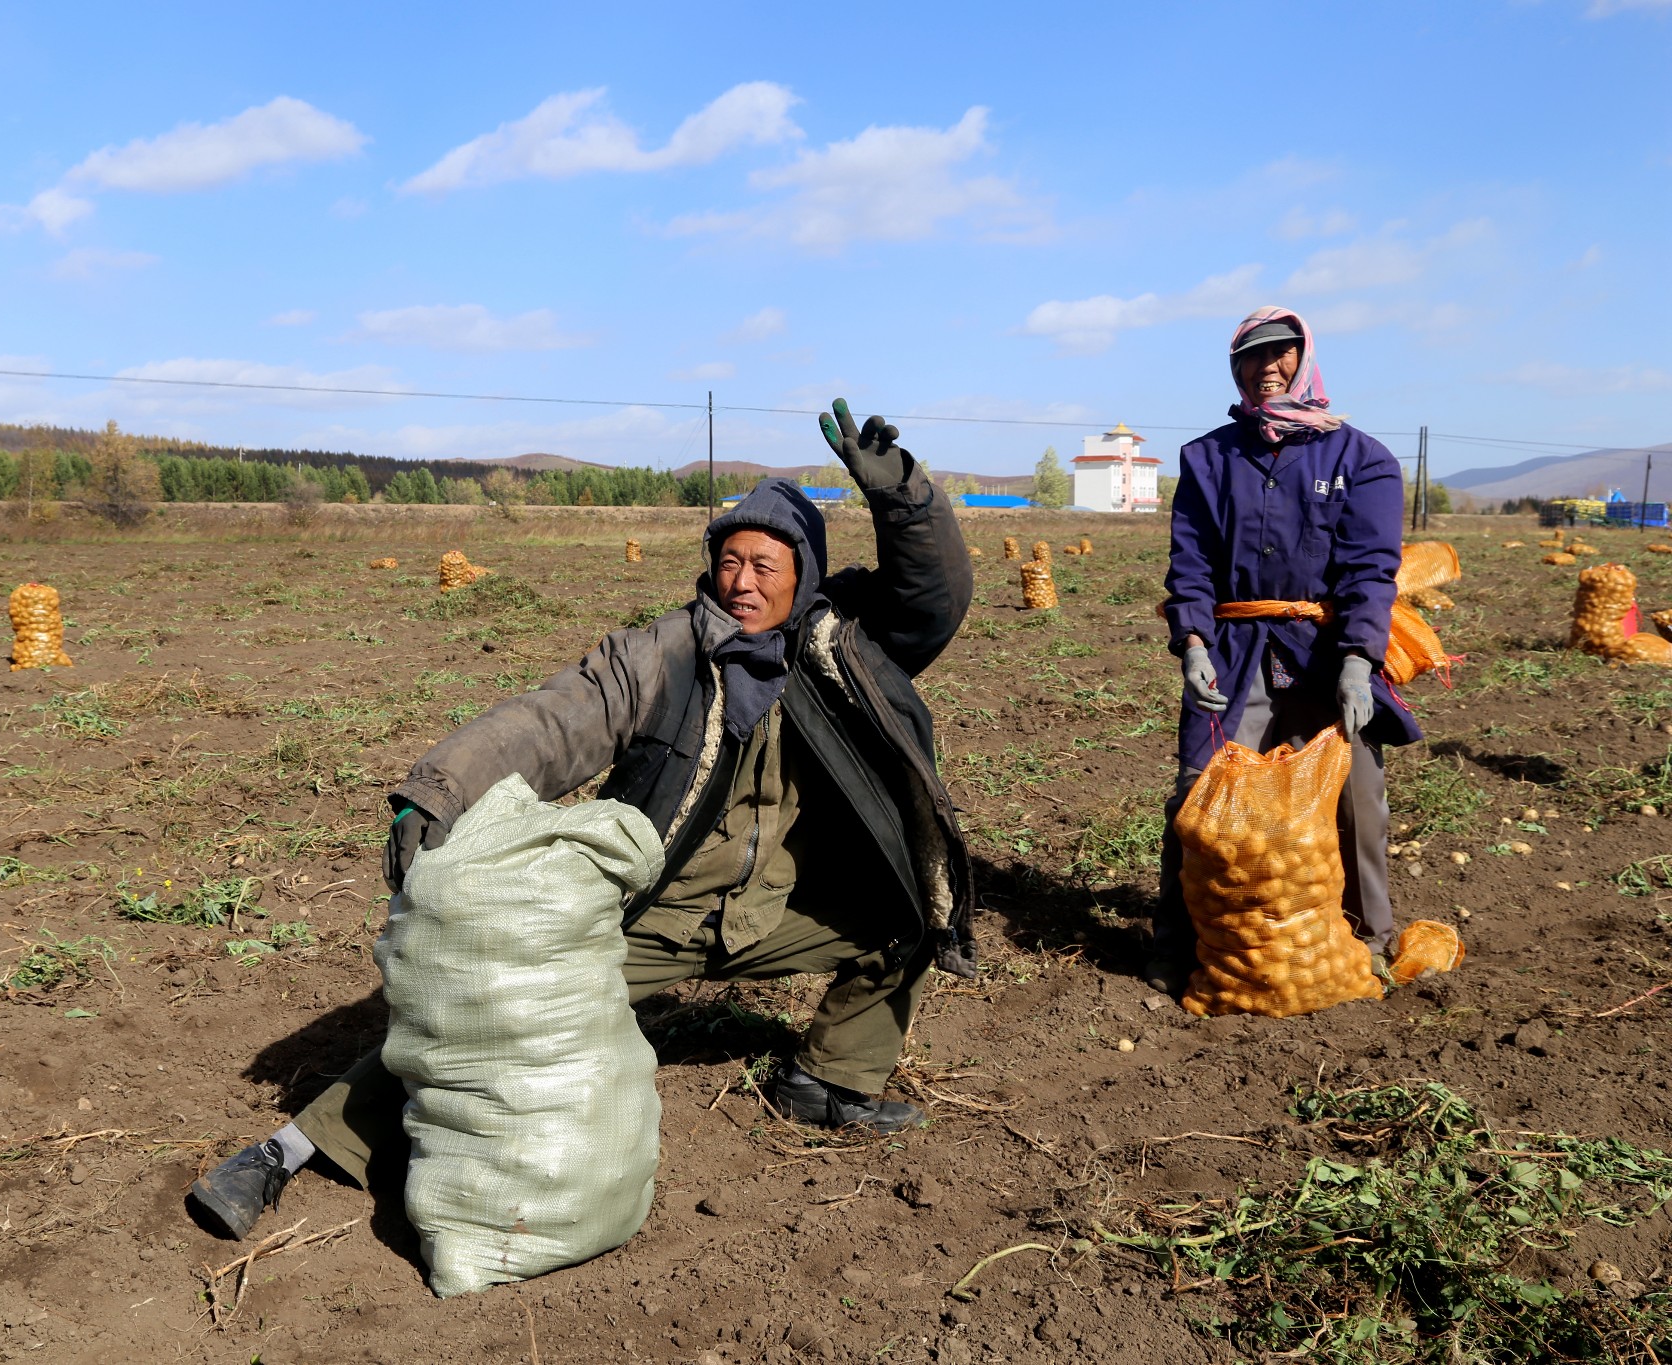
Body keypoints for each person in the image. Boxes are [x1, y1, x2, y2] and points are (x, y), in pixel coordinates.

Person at [186, 400, 978, 1241]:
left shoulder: (843, 647)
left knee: (908, 909)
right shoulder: (666, 652)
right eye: (730, 562)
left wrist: (906, 499)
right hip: (653, 912)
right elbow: (556, 719)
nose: (742, 583)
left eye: (767, 565)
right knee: (495, 1008)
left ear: (805, 576)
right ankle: (290, 1149)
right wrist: (443, 788)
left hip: (778, 909)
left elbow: (934, 598)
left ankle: (830, 1082)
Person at [1148, 306, 1419, 993]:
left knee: (1357, 792)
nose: (1267, 367)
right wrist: (1193, 640)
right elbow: (1192, 562)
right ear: (1234, 368)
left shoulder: (1363, 459)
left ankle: (1370, 940)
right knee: (1200, 792)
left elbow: (1370, 571)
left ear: (1305, 357)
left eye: (1282, 353)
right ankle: (1180, 939)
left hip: (1322, 652)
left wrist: (1359, 659)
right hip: (1235, 650)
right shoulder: (1207, 458)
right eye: (1251, 356)